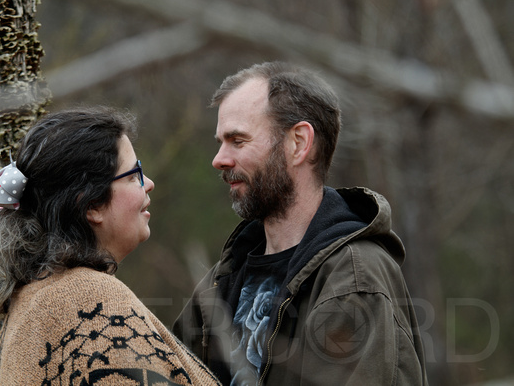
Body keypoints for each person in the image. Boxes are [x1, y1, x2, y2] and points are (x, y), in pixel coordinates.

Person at [173, 62, 428, 385]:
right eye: (221, 142)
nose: (219, 159)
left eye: (237, 141)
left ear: (298, 143)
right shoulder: (227, 274)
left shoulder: (354, 279)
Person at [0, 107, 221, 385]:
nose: (148, 184)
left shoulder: (36, 301)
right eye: (133, 175)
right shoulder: (92, 303)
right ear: (92, 205)